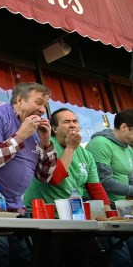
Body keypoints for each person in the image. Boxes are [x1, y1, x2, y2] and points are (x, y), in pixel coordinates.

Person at [0, 82, 57, 267]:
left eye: (44, 105)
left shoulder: (36, 131)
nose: (42, 110)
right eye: (38, 102)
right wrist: (21, 136)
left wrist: (46, 144)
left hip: (17, 208)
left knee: (24, 259)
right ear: (20, 100)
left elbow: (45, 177)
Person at [22, 108, 110, 266]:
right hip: (45, 219)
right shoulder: (47, 146)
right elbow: (55, 178)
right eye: (66, 122)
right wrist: (70, 148)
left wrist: (109, 216)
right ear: (54, 129)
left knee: (94, 260)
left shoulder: (86, 155)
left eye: (75, 121)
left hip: (75, 219)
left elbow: (96, 188)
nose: (72, 125)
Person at [86, 109, 133, 267]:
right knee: (121, 259)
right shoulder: (101, 143)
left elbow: (131, 178)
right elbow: (103, 181)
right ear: (124, 127)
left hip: (125, 211)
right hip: (105, 210)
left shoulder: (128, 148)